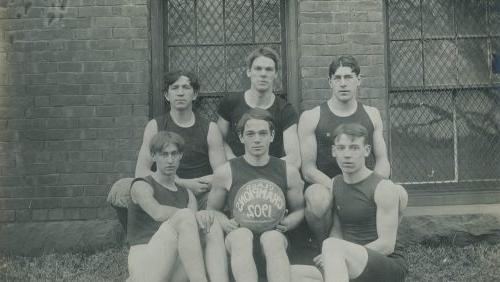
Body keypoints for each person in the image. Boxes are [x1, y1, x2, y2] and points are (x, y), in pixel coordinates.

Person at [291, 123, 408, 282]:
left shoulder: (383, 187)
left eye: (354, 148)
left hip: (386, 265)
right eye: (341, 148)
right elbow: (337, 230)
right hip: (346, 261)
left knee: (332, 246)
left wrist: (337, 252)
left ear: (366, 151)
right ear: (334, 151)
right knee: (289, 273)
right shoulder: (335, 184)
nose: (347, 155)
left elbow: (387, 245)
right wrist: (334, 255)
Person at [107, 71, 226, 222]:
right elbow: (141, 171)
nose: (180, 93)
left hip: (199, 191)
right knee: (121, 188)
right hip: (165, 188)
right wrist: (181, 183)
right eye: (175, 88)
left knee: (220, 196)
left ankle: (202, 233)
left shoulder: (210, 128)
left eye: (186, 88)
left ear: (195, 94)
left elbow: (222, 174)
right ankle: (136, 239)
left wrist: (196, 185)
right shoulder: (155, 126)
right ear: (167, 95)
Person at [298, 56, 393, 243]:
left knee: (394, 192)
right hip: (327, 185)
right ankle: (323, 247)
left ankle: (373, 245)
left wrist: (374, 186)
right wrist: (338, 188)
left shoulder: (372, 114)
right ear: (330, 82)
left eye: (348, 77)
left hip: (362, 183)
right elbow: (308, 169)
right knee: (317, 199)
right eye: (337, 78)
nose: (343, 84)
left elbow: (382, 161)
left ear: (359, 80)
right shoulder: (312, 117)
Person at [204, 108, 305, 282]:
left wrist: (288, 222)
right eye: (250, 134)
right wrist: (225, 223)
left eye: (262, 133)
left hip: (275, 244)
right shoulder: (226, 171)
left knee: (272, 238)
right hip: (238, 245)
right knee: (241, 236)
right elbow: (212, 209)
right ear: (242, 137)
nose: (257, 139)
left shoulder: (288, 171)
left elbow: (300, 210)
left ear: (271, 136)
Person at [127, 131, 228, 282]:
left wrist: (201, 217)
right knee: (186, 216)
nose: (170, 160)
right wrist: (192, 215)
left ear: (180, 156)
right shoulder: (142, 185)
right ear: (153, 156)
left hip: (177, 264)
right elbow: (158, 213)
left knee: (210, 225)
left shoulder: (187, 194)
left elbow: (192, 228)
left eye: (174, 154)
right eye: (164, 154)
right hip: (146, 261)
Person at [217, 47, 301, 168]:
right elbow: (218, 142)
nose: (263, 74)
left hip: (271, 174)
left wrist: (261, 170)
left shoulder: (285, 110)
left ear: (276, 74)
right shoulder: (231, 102)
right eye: (258, 68)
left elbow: (294, 158)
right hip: (237, 171)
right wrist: (235, 163)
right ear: (249, 72)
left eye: (268, 69)